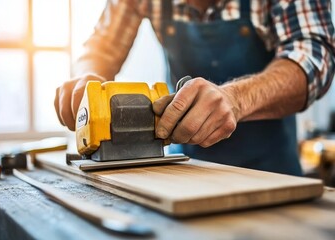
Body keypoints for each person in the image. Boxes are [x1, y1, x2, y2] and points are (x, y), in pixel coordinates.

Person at [54, 0, 335, 176]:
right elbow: (102, 46)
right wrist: (86, 78)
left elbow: (314, 56)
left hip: (270, 170)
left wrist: (235, 99)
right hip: (185, 167)